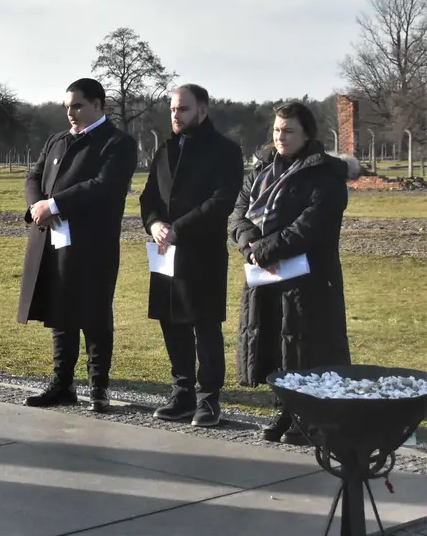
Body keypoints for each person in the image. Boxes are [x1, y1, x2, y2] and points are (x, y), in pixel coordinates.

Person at [230, 101, 357, 445]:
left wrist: (263, 249)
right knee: (273, 339)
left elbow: (310, 226)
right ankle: (284, 408)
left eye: (288, 131)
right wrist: (250, 247)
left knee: (304, 344)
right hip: (266, 276)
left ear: (307, 134)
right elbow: (239, 214)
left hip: (309, 278)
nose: (280, 137)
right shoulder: (261, 171)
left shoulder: (326, 176)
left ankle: (310, 417)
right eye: (276, 130)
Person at [17, 77, 137, 412]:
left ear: (98, 105)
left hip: (93, 247)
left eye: (78, 106)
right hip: (52, 242)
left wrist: (54, 205)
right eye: (67, 106)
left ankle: (99, 388)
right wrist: (37, 206)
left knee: (95, 316)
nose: (70, 112)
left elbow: (105, 186)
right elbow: (33, 177)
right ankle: (62, 384)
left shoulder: (117, 143)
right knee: (60, 315)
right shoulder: (57, 140)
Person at [140, 84, 245, 427]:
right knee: (171, 322)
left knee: (205, 326)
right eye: (172, 109)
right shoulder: (165, 150)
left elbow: (221, 201)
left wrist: (179, 227)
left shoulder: (225, 151)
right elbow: (149, 197)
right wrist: (154, 223)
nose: (175, 114)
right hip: (165, 251)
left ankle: (209, 400)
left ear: (202, 110)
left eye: (183, 109)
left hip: (202, 253)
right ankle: (182, 393)